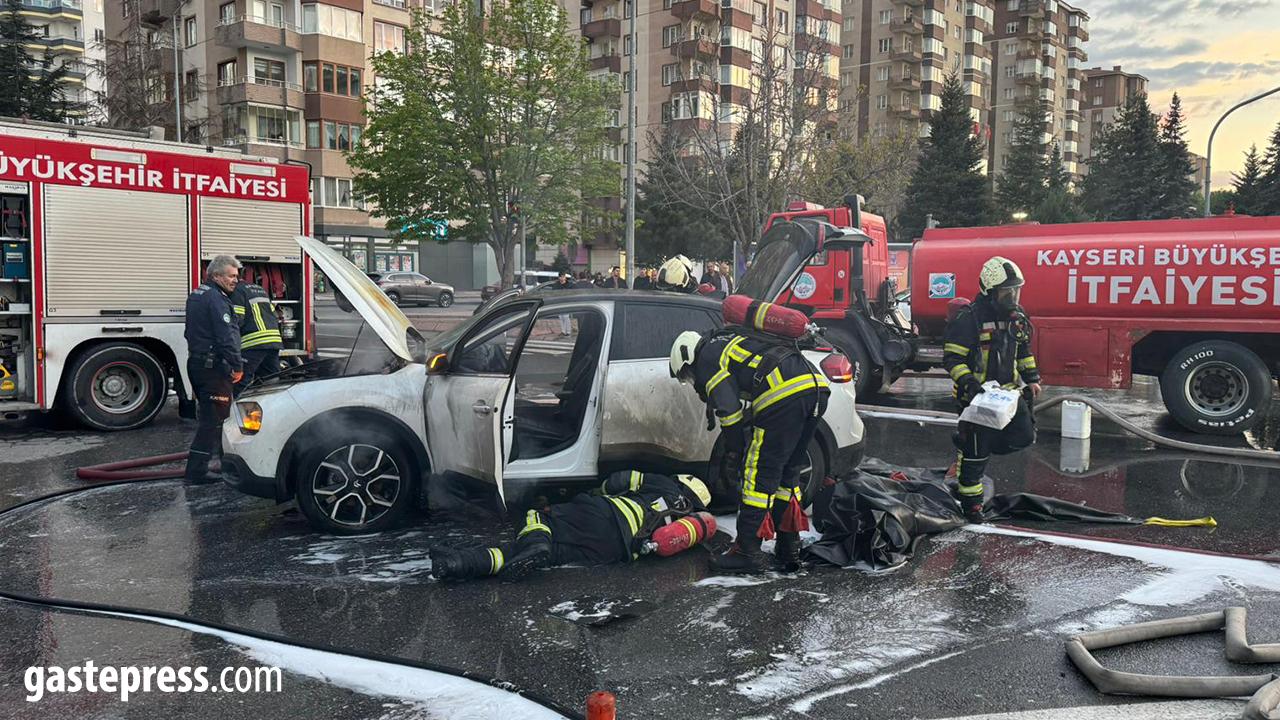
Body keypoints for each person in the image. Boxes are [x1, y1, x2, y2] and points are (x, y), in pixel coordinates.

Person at [669, 326, 831, 573]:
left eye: (687, 376)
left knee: (758, 474)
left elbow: (730, 412)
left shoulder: (707, 358)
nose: (693, 382)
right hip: (816, 389)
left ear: (688, 357)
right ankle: (789, 546)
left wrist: (735, 451)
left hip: (782, 395)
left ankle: (747, 552)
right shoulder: (727, 342)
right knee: (788, 472)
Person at [429, 471, 712, 580]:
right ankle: (460, 563)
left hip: (606, 515)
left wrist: (595, 493)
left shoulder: (665, 483)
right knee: (539, 553)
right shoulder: (688, 520)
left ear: (683, 481)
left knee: (536, 518)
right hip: (616, 551)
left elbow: (619, 481)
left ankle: (536, 542)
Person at [943, 256, 1041, 522]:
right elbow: (952, 359)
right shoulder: (969, 319)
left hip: (1008, 395)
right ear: (990, 291)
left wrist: (1032, 378)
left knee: (1024, 436)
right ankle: (971, 505)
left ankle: (968, 445)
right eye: (1006, 292)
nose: (1013, 297)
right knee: (975, 455)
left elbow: (1023, 351)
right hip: (976, 398)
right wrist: (969, 382)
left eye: (1016, 291)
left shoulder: (1017, 318)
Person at [183, 256, 244, 484]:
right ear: (216, 276)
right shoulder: (217, 299)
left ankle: (221, 463)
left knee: (213, 417)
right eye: (231, 276)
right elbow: (225, 336)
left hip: (198, 364)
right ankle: (197, 471)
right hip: (213, 369)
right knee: (213, 421)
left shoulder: (197, 294)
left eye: (236, 276)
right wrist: (237, 365)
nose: (235, 280)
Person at [228, 280, 283, 396]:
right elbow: (273, 314)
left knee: (240, 381)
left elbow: (236, 319)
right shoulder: (260, 289)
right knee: (271, 380)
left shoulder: (237, 291)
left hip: (254, 342)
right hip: (273, 340)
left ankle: (236, 406)